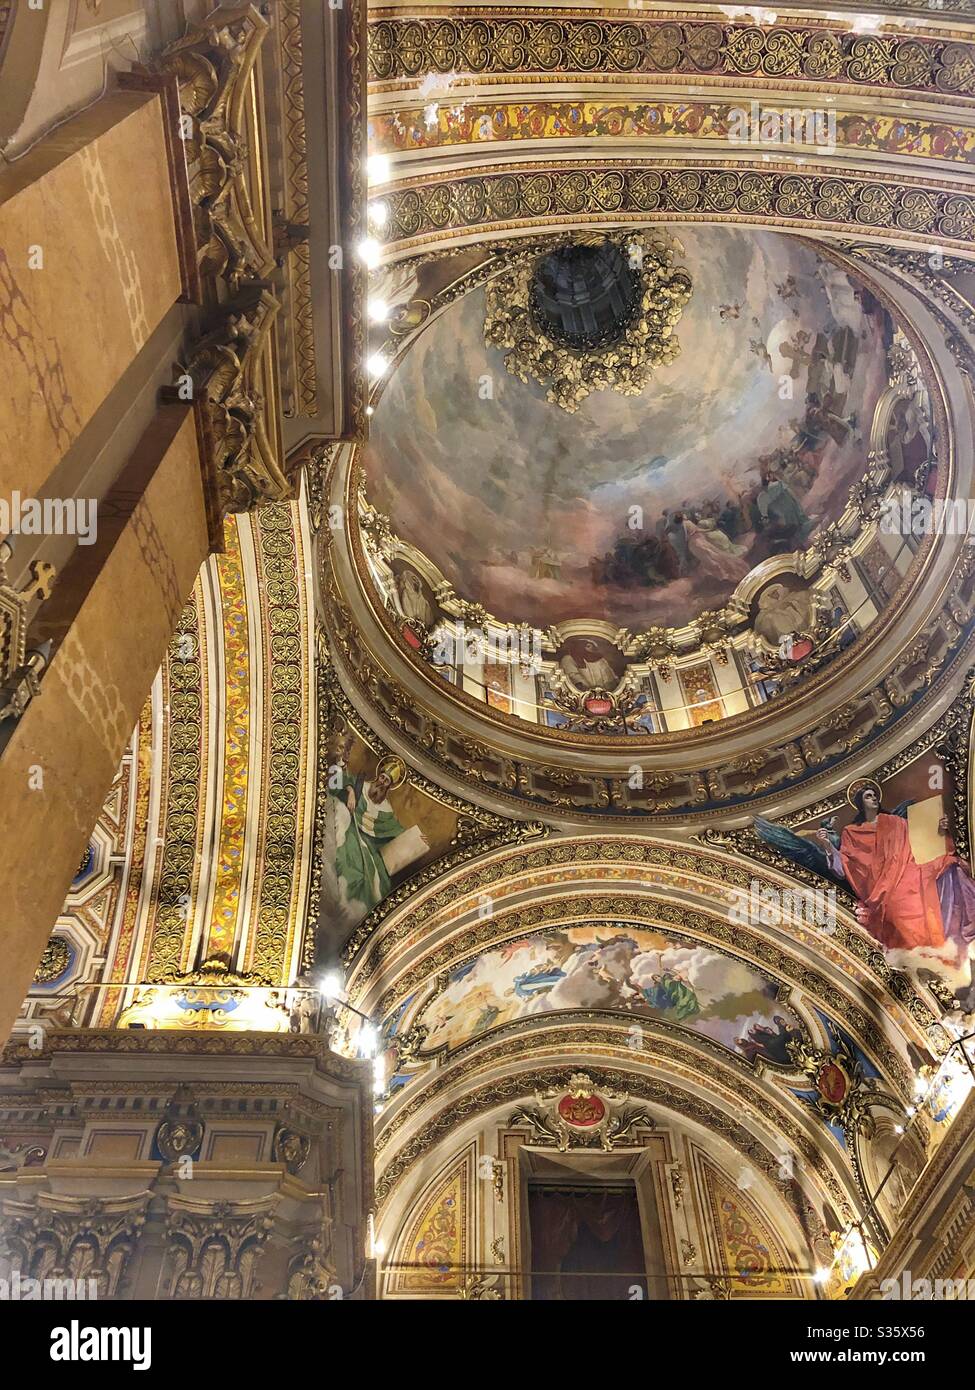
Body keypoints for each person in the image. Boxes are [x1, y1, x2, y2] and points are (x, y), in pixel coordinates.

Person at [817, 785, 974, 952]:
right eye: (868, 796)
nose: (874, 798)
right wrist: (827, 845)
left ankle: (953, 942)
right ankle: (925, 953)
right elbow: (846, 864)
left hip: (911, 869)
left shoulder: (895, 822)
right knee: (898, 912)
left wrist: (940, 829)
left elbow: (920, 842)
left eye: (875, 795)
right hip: (882, 888)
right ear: (860, 804)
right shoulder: (852, 832)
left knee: (952, 869)